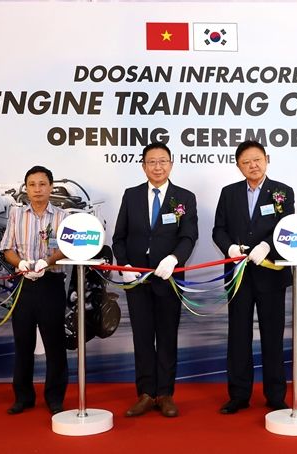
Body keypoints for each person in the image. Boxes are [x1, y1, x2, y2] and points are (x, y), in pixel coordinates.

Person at [113, 142, 198, 418]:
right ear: (143, 166)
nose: (157, 166)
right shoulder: (131, 195)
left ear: (171, 164)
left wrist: (174, 259)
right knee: (142, 337)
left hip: (169, 280)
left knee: (167, 337)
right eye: (152, 161)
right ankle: (146, 394)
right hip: (136, 280)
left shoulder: (184, 197)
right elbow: (119, 238)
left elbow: (189, 236)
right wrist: (124, 265)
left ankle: (165, 394)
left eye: (163, 161)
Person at [212, 140, 294, 414]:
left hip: (271, 275)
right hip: (238, 275)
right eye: (246, 162)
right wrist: (230, 249)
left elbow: (287, 227)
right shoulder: (229, 193)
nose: (252, 165)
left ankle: (275, 395)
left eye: (257, 159)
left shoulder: (283, 191)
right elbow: (218, 230)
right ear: (238, 166)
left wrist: (266, 246)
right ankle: (238, 395)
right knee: (238, 336)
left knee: (273, 336)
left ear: (266, 159)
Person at [1, 166, 69, 415]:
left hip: (51, 283)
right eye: (32, 184)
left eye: (42, 184)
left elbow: (67, 248)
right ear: (26, 188)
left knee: (55, 344)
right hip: (23, 285)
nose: (37, 189)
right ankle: (23, 397)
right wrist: (20, 263)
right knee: (23, 343)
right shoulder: (16, 215)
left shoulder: (63, 216)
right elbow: (7, 248)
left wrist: (47, 262)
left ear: (51, 187)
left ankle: (55, 398)